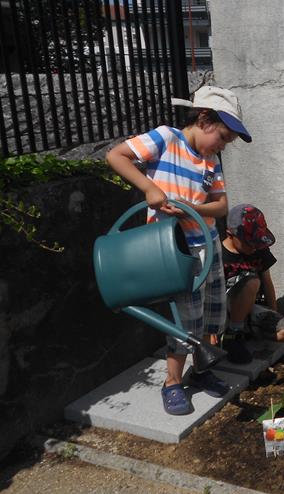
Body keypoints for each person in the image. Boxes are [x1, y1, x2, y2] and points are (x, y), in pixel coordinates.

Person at [106, 86, 252, 415]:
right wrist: (150, 188)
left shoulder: (210, 160)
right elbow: (116, 156)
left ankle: (200, 372)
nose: (224, 145)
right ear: (204, 119)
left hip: (207, 247)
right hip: (175, 252)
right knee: (186, 321)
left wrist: (193, 208)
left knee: (213, 315)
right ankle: (172, 382)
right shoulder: (166, 139)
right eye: (224, 137)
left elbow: (222, 205)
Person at [221, 204, 284, 357]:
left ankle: (246, 331)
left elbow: (267, 282)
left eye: (257, 242)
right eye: (249, 243)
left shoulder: (259, 249)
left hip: (251, 308)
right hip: (224, 310)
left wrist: (273, 313)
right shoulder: (219, 254)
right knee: (251, 281)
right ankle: (232, 334)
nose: (254, 247)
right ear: (230, 234)